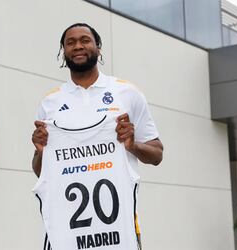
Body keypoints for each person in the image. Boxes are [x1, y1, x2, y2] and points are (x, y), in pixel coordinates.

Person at [31, 23, 163, 250]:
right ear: (63, 52)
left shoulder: (127, 93)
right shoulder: (50, 103)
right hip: (67, 235)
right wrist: (40, 151)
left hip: (119, 232)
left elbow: (157, 154)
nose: (78, 46)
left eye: (85, 40)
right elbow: (41, 171)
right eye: (70, 43)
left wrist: (133, 146)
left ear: (98, 48)